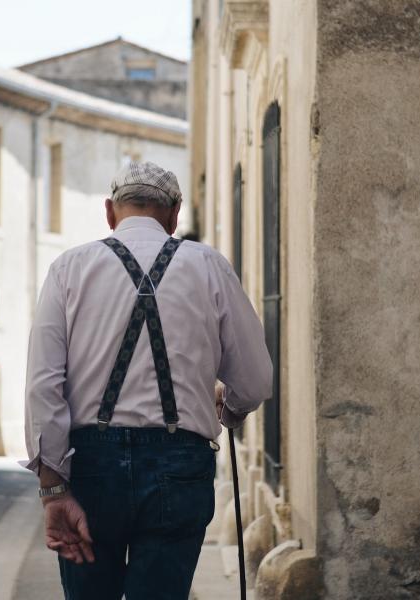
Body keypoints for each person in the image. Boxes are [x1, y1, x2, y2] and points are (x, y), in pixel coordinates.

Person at [23, 161, 272, 600]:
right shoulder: (209, 265)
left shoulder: (69, 268)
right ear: (175, 214)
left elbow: (44, 386)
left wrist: (54, 488)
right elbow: (254, 381)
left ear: (109, 212)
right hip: (179, 467)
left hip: (91, 467)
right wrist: (228, 410)